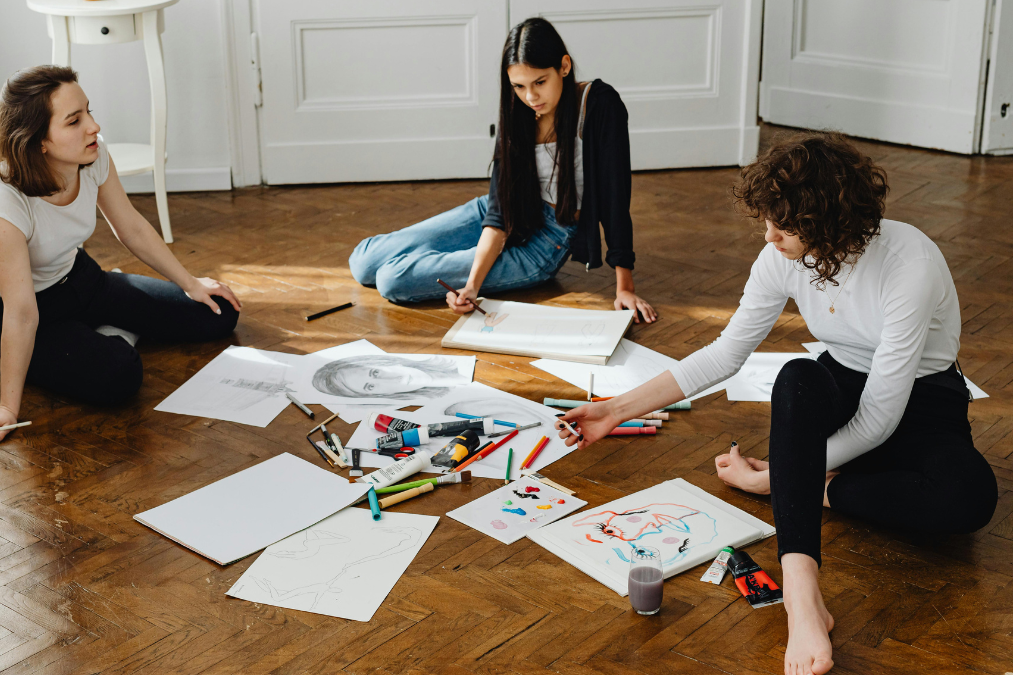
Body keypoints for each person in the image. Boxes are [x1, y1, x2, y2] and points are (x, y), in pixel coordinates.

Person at [554, 133, 997, 675]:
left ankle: (816, 486)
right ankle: (803, 594)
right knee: (797, 377)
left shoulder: (910, 263)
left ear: (830, 223)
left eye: (783, 227)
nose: (769, 237)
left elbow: (882, 417)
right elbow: (725, 353)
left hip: (925, 402)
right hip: (839, 387)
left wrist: (776, 480)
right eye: (766, 222)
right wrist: (617, 409)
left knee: (969, 500)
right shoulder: (780, 257)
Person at [0, 65, 241, 450]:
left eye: (88, 111)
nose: (93, 126)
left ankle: (103, 329)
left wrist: (191, 284)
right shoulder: (0, 202)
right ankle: (105, 336)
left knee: (220, 312)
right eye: (74, 121)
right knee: (120, 376)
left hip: (84, 280)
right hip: (34, 314)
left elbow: (131, 228)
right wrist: (8, 407)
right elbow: (22, 312)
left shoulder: (92, 156)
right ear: (38, 140)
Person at [349, 18, 656, 323]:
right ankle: (451, 261)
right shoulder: (518, 111)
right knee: (364, 262)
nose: (531, 97)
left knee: (391, 279)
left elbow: (616, 198)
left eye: (540, 82)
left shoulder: (600, 105)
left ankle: (442, 264)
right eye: (518, 86)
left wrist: (624, 287)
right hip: (509, 213)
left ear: (564, 66)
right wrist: (472, 283)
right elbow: (498, 215)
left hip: (546, 241)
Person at [311, 355, 469, 400]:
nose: (393, 380)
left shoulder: (463, 366)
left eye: (376, 373)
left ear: (387, 361)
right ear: (379, 395)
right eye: (371, 387)